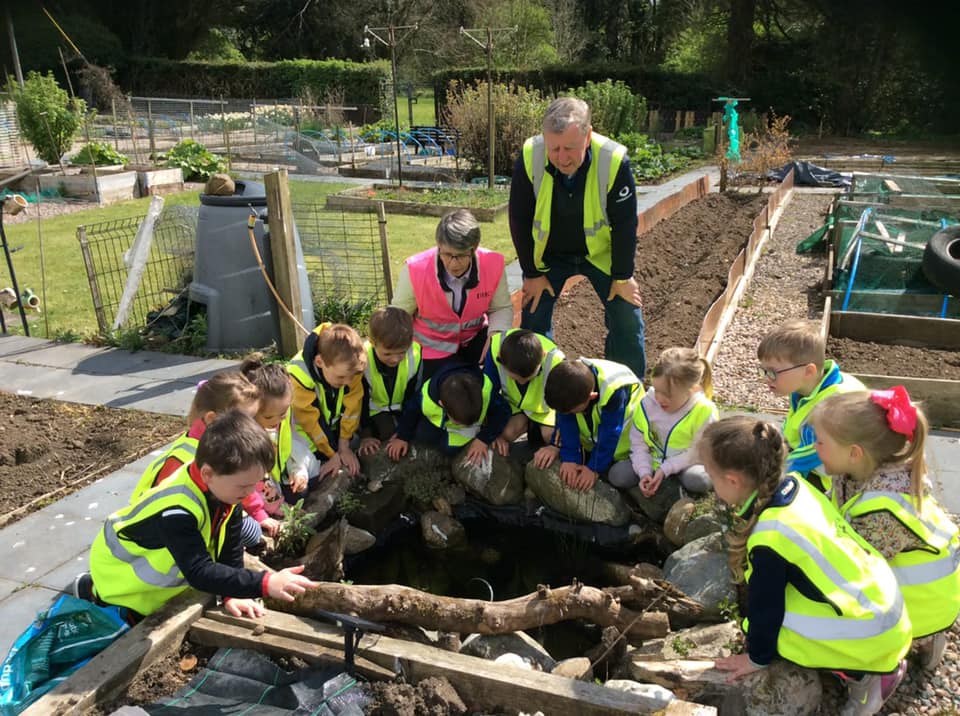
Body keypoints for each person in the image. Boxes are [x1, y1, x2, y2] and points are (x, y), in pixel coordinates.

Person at [702, 416, 911, 716]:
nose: (711, 481)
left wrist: (756, 658)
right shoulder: (797, 485)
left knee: (771, 630)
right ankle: (866, 659)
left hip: (874, 632)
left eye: (712, 475)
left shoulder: (769, 537)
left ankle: (865, 675)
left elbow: (766, 608)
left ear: (732, 480)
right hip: (883, 602)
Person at [80, 411, 319, 620]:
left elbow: (230, 542)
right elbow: (199, 571)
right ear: (208, 473)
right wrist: (264, 583)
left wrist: (232, 593)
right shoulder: (176, 510)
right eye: (244, 486)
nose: (250, 493)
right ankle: (92, 592)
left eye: (256, 484)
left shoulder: (224, 489)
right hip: (122, 583)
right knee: (124, 625)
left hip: (152, 581)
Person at [811, 387, 960, 671]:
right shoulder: (861, 472)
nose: (814, 448)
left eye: (819, 442)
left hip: (926, 602)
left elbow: (856, 570)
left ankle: (884, 668)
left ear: (854, 453)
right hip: (919, 587)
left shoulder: (881, 511)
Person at [509, 96, 645, 380]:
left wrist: (622, 276)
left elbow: (625, 224)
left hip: (598, 255)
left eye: (570, 148)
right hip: (550, 256)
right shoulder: (530, 155)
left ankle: (625, 390)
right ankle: (542, 390)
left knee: (626, 317)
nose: (561, 157)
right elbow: (519, 219)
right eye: (554, 149)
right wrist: (531, 274)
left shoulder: (613, 159)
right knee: (533, 316)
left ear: (588, 135)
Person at [392, 209, 512, 379]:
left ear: (474, 249)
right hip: (430, 349)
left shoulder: (493, 263)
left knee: (500, 362)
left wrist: (496, 337)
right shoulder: (414, 269)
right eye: (447, 254)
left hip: (473, 340)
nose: (454, 263)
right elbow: (399, 315)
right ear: (438, 246)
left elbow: (501, 308)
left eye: (461, 255)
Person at [610, 347, 718, 521]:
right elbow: (638, 443)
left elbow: (696, 453)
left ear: (693, 389)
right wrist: (644, 472)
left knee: (699, 480)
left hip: (686, 464)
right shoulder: (647, 403)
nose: (659, 399)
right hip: (654, 460)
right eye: (656, 390)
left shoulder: (705, 411)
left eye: (667, 395)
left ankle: (680, 492)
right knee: (617, 475)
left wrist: (665, 470)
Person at [757, 319, 864, 492]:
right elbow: (796, 427)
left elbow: (815, 453)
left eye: (773, 372)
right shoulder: (805, 387)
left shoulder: (833, 404)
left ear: (808, 371)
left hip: (833, 479)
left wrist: (775, 471)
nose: (766, 378)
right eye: (763, 371)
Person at [131, 370, 260, 500]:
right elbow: (165, 509)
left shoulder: (215, 446)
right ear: (212, 419)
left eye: (253, 418)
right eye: (243, 420)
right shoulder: (185, 460)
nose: (253, 427)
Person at [240, 355, 317, 532]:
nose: (277, 421)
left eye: (283, 413)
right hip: (254, 492)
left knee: (303, 490)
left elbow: (291, 446)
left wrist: (298, 471)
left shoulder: (283, 417)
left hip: (274, 479)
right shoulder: (247, 438)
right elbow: (254, 485)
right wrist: (280, 507)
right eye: (268, 417)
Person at [543, 358, 644, 492]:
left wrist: (594, 468)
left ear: (592, 397)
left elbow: (611, 431)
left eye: (573, 411)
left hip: (627, 443)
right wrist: (570, 458)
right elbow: (565, 419)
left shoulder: (614, 391)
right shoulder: (569, 380)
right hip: (596, 436)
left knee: (617, 475)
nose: (568, 414)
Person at [387, 363, 511, 467]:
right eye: (458, 421)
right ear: (442, 404)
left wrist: (484, 438)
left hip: (470, 429)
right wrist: (402, 436)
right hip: (439, 422)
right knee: (421, 435)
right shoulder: (426, 396)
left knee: (449, 449)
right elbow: (411, 410)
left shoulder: (485, 392)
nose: (461, 424)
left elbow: (504, 411)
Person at [287, 322, 365, 481]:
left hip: (332, 428)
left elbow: (353, 408)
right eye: (341, 377)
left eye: (351, 377)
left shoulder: (352, 365)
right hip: (306, 436)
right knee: (314, 474)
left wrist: (344, 446)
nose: (348, 382)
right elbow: (311, 423)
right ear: (319, 362)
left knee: (353, 447)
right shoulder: (298, 376)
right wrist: (332, 454)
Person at [483, 328, 564, 468]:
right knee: (506, 433)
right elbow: (488, 393)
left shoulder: (556, 361)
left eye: (529, 378)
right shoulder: (496, 347)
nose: (522, 383)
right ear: (500, 358)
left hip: (544, 410)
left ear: (543, 356)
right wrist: (492, 433)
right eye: (515, 378)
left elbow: (566, 409)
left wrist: (555, 446)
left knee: (551, 436)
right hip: (514, 405)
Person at [358, 306, 423, 457]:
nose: (394, 359)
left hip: (402, 408)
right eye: (387, 353)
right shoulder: (362, 358)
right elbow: (358, 401)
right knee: (387, 435)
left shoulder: (416, 354)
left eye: (401, 353)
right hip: (374, 411)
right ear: (372, 342)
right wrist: (365, 435)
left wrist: (404, 433)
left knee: (419, 434)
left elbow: (414, 397)